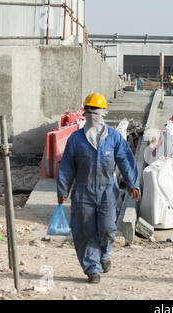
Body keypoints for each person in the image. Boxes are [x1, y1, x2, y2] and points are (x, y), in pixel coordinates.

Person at [57, 93, 141, 284]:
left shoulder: (114, 138)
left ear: (104, 113)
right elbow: (67, 167)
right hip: (83, 192)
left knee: (108, 227)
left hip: (107, 191)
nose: (93, 114)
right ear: (84, 112)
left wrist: (132, 183)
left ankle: (104, 254)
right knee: (85, 231)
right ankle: (92, 269)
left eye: (96, 111)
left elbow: (125, 160)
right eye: (89, 110)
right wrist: (62, 191)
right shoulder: (76, 139)